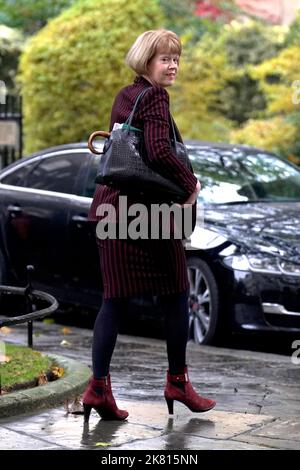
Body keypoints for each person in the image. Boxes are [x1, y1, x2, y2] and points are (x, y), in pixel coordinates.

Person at [83, 29, 216, 422]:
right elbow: (158, 151)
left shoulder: (127, 94)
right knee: (176, 292)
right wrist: (190, 185)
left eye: (176, 58)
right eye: (165, 59)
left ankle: (98, 389)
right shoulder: (155, 96)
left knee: (114, 300)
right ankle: (177, 380)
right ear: (147, 61)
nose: (173, 65)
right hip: (147, 214)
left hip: (111, 211)